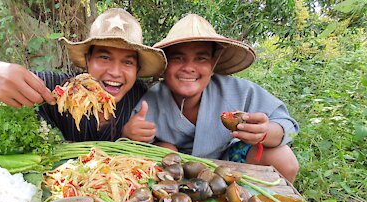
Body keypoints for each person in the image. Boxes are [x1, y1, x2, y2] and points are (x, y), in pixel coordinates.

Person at [123, 14, 300, 182]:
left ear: (213, 64)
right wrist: (132, 136)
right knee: (165, 150)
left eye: (201, 58)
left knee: (283, 158)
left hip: (231, 165)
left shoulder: (239, 91)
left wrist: (265, 132)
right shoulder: (151, 101)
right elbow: (137, 147)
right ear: (165, 65)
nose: (189, 68)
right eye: (178, 58)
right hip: (175, 174)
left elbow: (290, 128)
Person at [0, 8, 166, 142]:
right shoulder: (57, 88)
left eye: (127, 62)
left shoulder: (142, 99)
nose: (115, 72)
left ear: (137, 70)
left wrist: (128, 136)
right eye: (104, 57)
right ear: (87, 61)